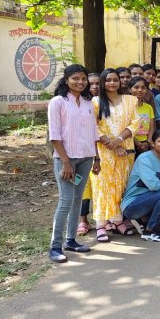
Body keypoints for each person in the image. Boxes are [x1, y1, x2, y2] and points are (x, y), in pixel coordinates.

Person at [47, 64, 101, 263]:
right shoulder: (58, 102)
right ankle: (55, 246)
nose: (80, 82)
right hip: (66, 158)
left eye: (83, 79)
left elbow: (93, 133)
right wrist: (66, 162)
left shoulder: (88, 102)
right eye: (75, 78)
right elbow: (55, 135)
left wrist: (96, 158)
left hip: (86, 157)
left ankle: (71, 240)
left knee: (78, 199)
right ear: (66, 79)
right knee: (65, 201)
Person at [92, 68, 140, 242]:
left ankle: (118, 221)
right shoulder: (95, 102)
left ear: (120, 82)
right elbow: (93, 127)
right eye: (108, 80)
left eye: (115, 80)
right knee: (102, 186)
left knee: (121, 184)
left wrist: (118, 140)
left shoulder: (130, 100)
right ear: (103, 83)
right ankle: (100, 225)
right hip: (102, 152)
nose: (112, 83)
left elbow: (135, 123)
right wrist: (110, 144)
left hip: (125, 149)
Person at [77, 72, 101, 236]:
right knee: (83, 186)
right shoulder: (80, 103)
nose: (94, 87)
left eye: (98, 83)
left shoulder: (108, 103)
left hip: (103, 151)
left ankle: (102, 220)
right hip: (83, 150)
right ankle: (82, 220)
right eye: (91, 83)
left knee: (99, 187)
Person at [127, 76, 155, 156]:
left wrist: (148, 142)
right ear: (129, 89)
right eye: (136, 87)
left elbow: (151, 127)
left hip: (146, 143)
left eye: (143, 88)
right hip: (130, 142)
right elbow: (124, 128)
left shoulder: (148, 107)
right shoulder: (126, 107)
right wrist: (138, 143)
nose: (140, 90)